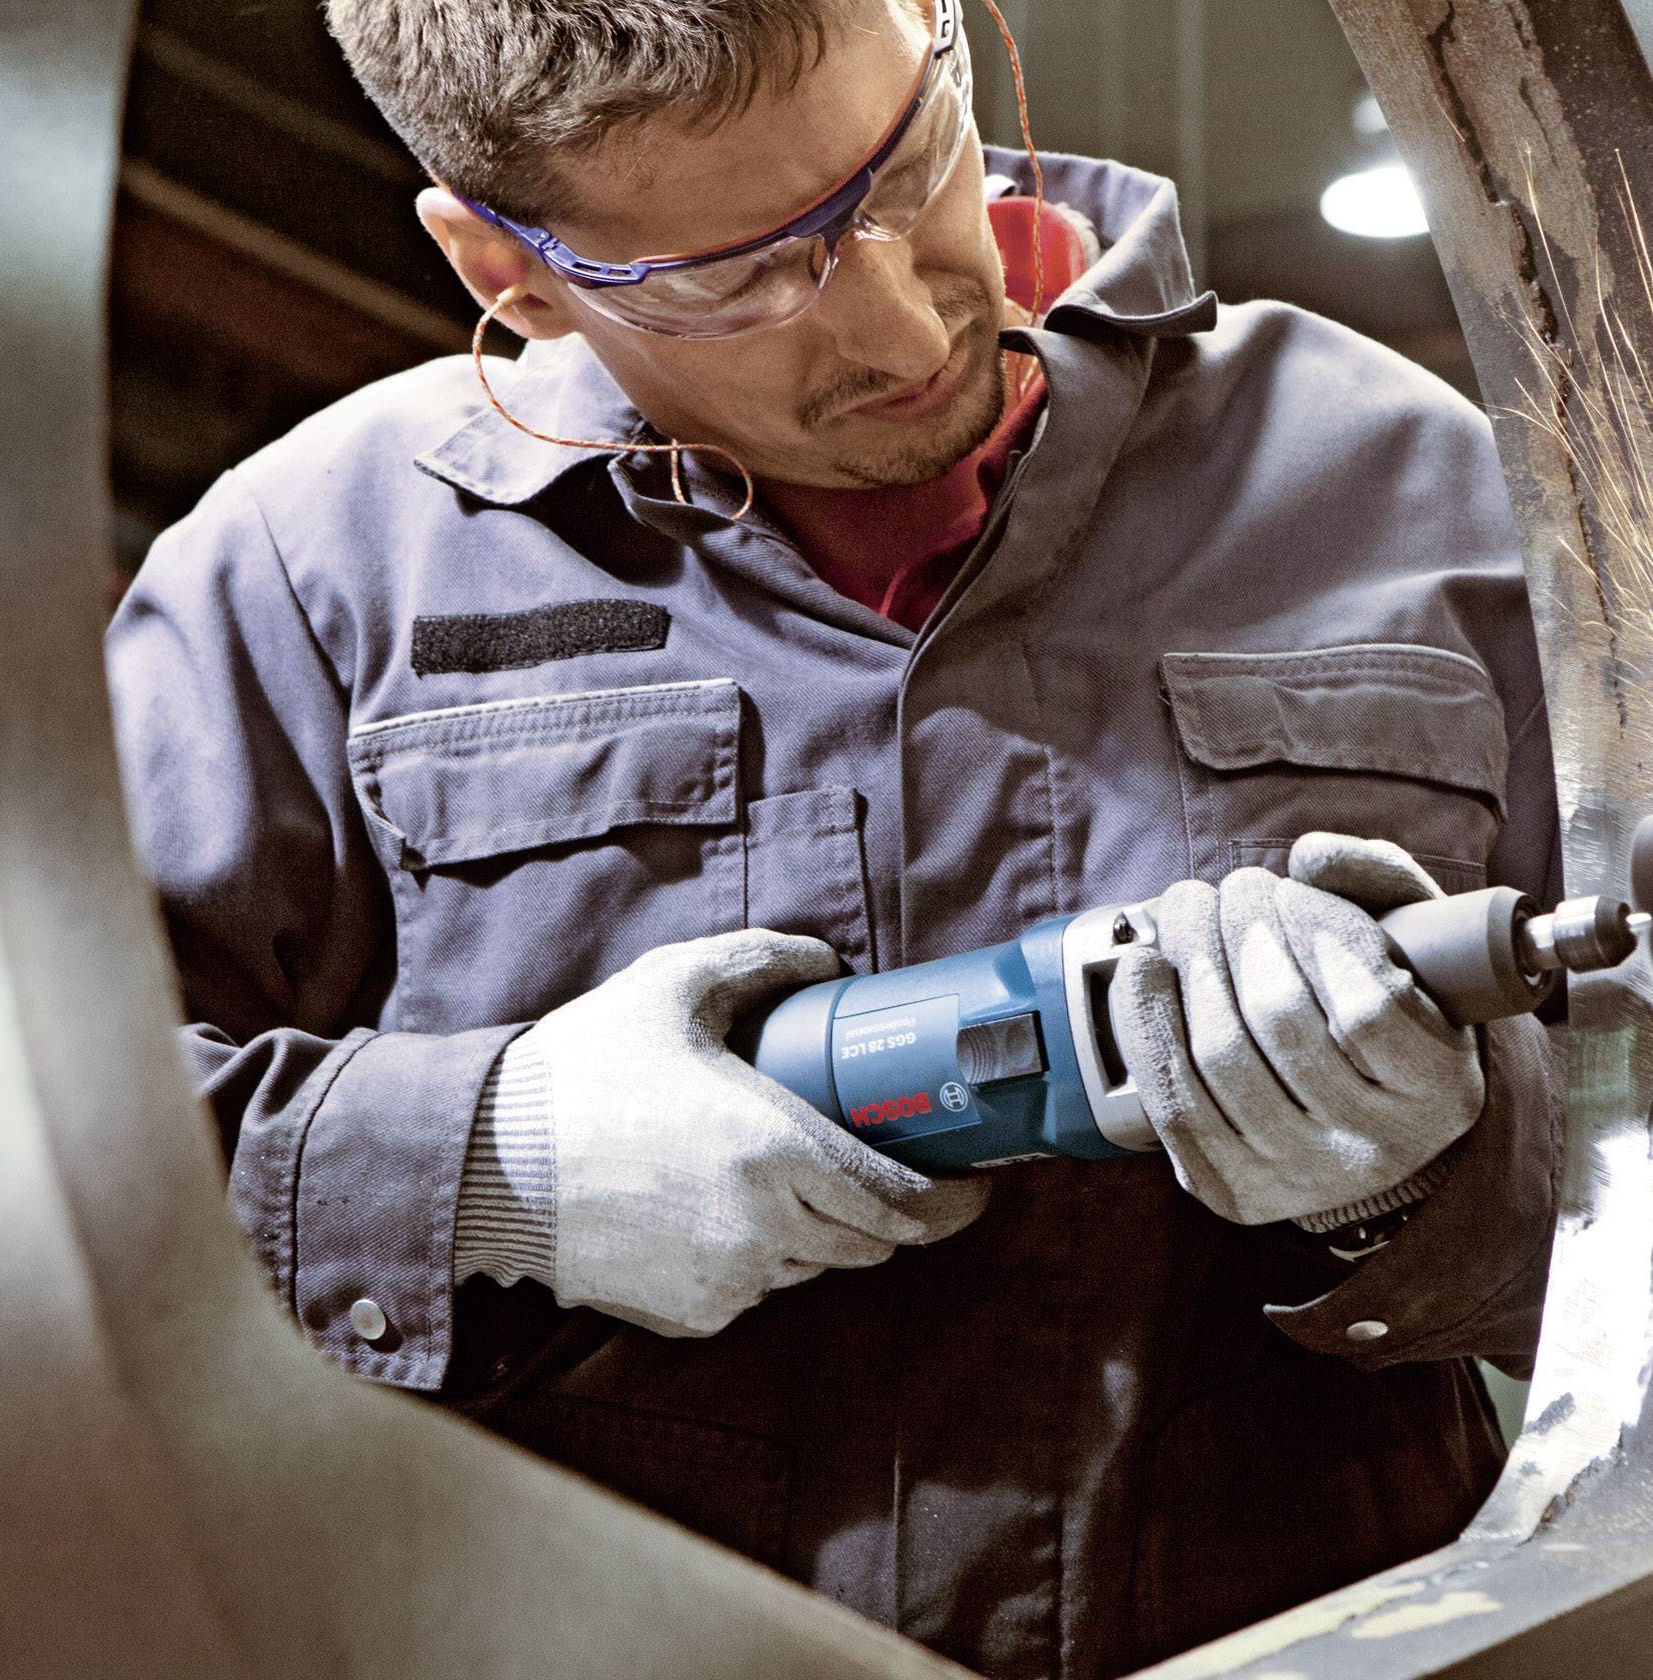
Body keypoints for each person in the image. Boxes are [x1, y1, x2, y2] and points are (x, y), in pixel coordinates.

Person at [105, 0, 1562, 1673]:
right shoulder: (316, 577)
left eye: (908, 164)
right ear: (507, 268)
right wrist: (492, 1173)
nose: (900, 326)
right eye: (733, 276)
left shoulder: (1426, 496)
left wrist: (1440, 1175)